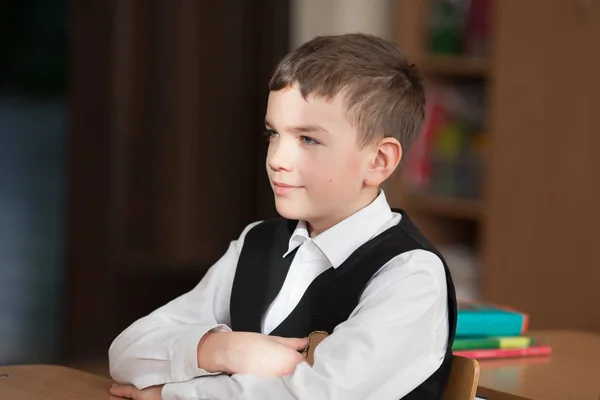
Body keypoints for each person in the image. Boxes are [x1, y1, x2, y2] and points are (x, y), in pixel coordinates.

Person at [108, 33, 457, 400]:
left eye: (308, 139)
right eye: (273, 133)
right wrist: (224, 349)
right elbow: (128, 351)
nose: (276, 158)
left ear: (379, 161)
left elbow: (312, 395)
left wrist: (167, 394)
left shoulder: (410, 275)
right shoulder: (256, 242)